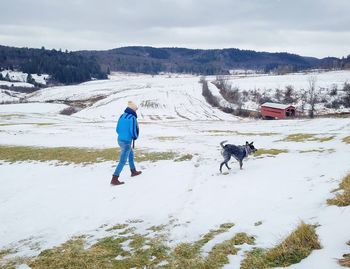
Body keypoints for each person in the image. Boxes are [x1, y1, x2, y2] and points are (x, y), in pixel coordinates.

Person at [111, 101, 142, 185]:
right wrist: (134, 137)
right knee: (123, 160)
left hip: (120, 139)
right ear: (133, 110)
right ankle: (114, 178)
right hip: (127, 141)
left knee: (130, 155)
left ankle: (133, 171)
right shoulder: (132, 118)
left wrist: (122, 134)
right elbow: (133, 131)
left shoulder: (122, 116)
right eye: (135, 110)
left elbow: (117, 129)